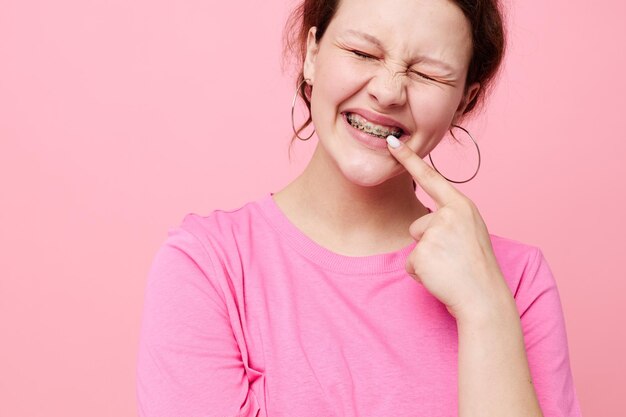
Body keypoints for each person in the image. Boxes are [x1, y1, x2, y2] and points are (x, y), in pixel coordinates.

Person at [136, 0, 583, 416]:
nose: (388, 93)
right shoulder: (208, 265)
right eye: (363, 53)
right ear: (312, 54)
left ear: (463, 101)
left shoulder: (517, 282)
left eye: (427, 74)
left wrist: (485, 312)